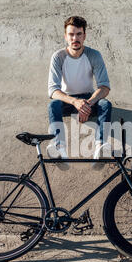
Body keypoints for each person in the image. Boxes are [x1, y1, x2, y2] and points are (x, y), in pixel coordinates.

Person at [47, 16, 112, 170]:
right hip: (67, 101)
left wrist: (87, 104)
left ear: (84, 36)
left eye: (78, 34)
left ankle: (99, 149)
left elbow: (104, 87)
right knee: (53, 105)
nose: (75, 38)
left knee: (105, 104)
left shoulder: (94, 55)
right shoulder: (58, 57)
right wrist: (75, 102)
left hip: (89, 98)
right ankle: (60, 149)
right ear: (65, 36)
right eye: (71, 34)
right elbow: (53, 90)